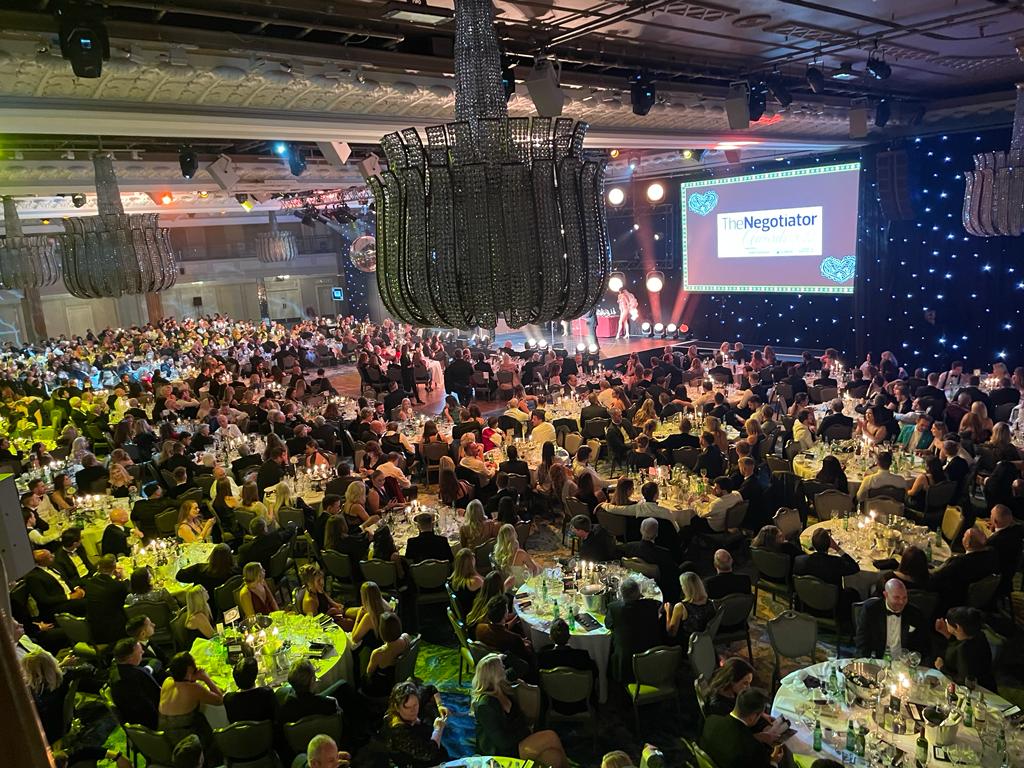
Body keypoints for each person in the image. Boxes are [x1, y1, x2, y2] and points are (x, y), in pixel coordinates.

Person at [472, 654, 569, 768]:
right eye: (502, 667)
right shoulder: (485, 705)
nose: (505, 668)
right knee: (550, 736)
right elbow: (503, 743)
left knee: (554, 757)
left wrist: (505, 656)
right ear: (495, 673)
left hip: (517, 741)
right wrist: (526, 731)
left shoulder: (502, 684)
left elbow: (522, 666)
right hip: (501, 753)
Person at [701, 688, 784, 768]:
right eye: (760, 715)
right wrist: (774, 762)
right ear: (752, 717)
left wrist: (756, 737)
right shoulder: (753, 750)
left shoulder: (711, 720)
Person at [158, 652, 223, 751]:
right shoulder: (194, 688)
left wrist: (191, 678)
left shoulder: (167, 681)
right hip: (185, 742)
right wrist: (206, 678)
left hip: (164, 739)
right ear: (190, 669)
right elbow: (219, 700)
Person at [379, 680, 450, 768]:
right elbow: (429, 754)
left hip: (432, 746)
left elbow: (431, 689)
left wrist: (440, 705)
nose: (413, 711)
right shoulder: (399, 732)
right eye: (407, 707)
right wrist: (438, 730)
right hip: (417, 761)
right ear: (397, 707)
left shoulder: (413, 698)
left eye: (415, 705)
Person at [605, 577, 663, 683]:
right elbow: (659, 605)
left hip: (625, 664)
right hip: (650, 659)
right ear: (638, 593)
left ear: (621, 594)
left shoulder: (614, 608)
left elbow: (608, 625)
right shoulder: (652, 605)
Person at [536, 618, 599, 714]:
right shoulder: (582, 656)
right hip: (581, 703)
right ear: (569, 636)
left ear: (550, 637)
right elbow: (595, 673)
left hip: (554, 703)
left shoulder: (543, 657)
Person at [855, 578, 928, 659]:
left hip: (904, 662)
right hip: (877, 660)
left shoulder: (915, 613)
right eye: (897, 597)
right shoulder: (871, 609)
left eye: (904, 597)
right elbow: (862, 642)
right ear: (886, 595)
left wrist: (911, 659)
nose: (901, 602)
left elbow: (922, 644)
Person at [930, 528, 999, 609]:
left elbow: (935, 578)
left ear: (967, 544)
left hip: (954, 599)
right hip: (980, 599)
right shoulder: (992, 554)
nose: (962, 538)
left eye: (964, 536)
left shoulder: (960, 563)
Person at [934, 606, 996, 691]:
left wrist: (941, 668)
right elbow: (959, 641)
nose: (945, 622)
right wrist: (948, 634)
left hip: (977, 691)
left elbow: (963, 681)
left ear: (957, 627)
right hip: (988, 683)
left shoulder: (965, 650)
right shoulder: (979, 635)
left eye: (947, 621)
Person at [623, 517, 681, 603]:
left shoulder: (628, 547)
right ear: (656, 534)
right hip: (657, 594)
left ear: (641, 530)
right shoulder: (664, 554)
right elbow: (672, 575)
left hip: (631, 589)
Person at [109, 638, 161, 729]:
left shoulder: (115, 670)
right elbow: (148, 708)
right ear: (130, 657)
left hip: (133, 717)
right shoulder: (134, 677)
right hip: (151, 722)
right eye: (140, 652)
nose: (143, 652)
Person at [25, 548, 87, 621]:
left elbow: (66, 580)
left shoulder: (53, 565)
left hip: (71, 594)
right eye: (50, 557)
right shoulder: (32, 577)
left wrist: (76, 588)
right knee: (87, 602)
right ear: (41, 562)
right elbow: (44, 600)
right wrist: (69, 597)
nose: (53, 556)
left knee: (93, 590)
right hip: (57, 605)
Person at [474, 595, 533, 667]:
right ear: (505, 614)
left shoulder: (479, 628)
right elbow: (527, 655)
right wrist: (527, 644)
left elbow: (498, 630)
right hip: (511, 665)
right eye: (507, 609)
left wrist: (516, 619)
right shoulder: (514, 638)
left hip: (490, 663)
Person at [278, 659, 341, 724]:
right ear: (312, 681)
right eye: (315, 677)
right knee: (342, 685)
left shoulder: (285, 709)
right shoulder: (328, 704)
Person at [364, 612, 412, 698]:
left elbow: (369, 673)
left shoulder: (378, 653)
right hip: (401, 679)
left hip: (385, 689)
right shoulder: (406, 638)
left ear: (381, 631)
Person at [84, 554, 129, 644]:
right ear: (114, 568)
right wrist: (124, 578)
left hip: (94, 630)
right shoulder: (117, 586)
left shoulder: (89, 583)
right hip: (114, 632)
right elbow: (128, 593)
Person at [222, 657, 278, 724]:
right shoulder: (266, 693)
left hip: (241, 731)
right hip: (268, 731)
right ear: (255, 675)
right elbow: (276, 719)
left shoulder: (228, 699)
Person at [665, 571, 717, 642]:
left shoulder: (680, 607)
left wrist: (668, 612)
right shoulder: (710, 602)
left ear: (685, 588)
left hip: (689, 644)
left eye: (682, 585)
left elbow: (671, 633)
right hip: (708, 641)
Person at [492, 522, 540, 588]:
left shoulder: (497, 553)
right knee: (539, 567)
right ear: (514, 534)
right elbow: (534, 569)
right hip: (521, 586)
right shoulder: (520, 553)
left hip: (507, 586)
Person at [449, 548, 484, 619]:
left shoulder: (454, 579)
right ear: (471, 562)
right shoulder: (474, 581)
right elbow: (490, 594)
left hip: (466, 614)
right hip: (475, 616)